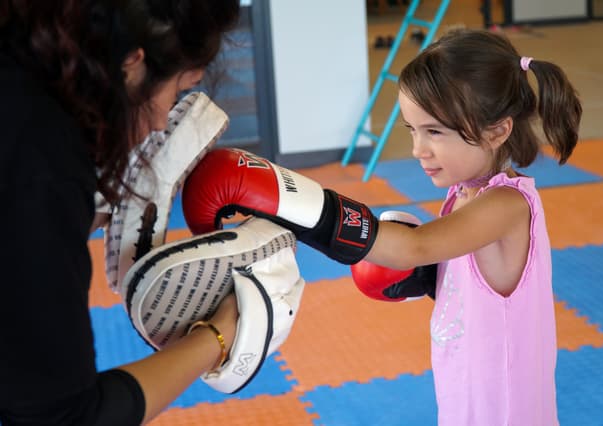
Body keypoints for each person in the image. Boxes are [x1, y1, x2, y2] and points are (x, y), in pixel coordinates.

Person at [179, 28, 582, 425]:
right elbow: (456, 271)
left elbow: (415, 247)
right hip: (464, 388)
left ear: (496, 131)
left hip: (506, 408)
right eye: (413, 130)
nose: (418, 150)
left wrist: (291, 204)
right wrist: (432, 280)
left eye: (435, 132)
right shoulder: (466, 192)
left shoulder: (506, 205)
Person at [0, 0, 242, 424]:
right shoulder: (42, 162)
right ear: (131, 64)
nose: (160, 123)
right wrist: (219, 336)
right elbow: (63, 418)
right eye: (176, 92)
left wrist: (81, 213)